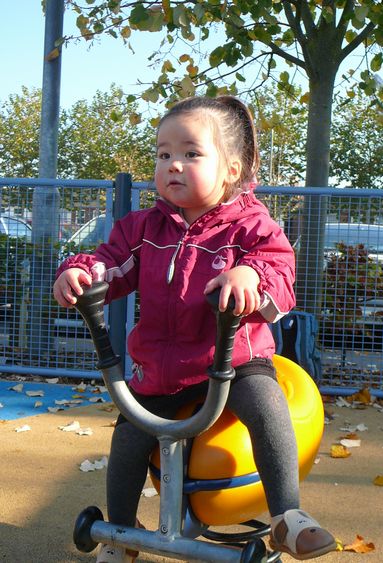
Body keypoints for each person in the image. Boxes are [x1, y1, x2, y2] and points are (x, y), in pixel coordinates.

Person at [54, 95, 336, 562]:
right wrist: (81, 272)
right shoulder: (142, 228)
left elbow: (281, 276)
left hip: (233, 359)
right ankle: (121, 531)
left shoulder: (251, 226)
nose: (173, 165)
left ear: (231, 169)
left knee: (266, 404)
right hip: (163, 369)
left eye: (191, 153)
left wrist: (251, 277)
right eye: (163, 154)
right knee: (129, 438)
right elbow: (111, 264)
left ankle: (287, 516)